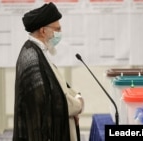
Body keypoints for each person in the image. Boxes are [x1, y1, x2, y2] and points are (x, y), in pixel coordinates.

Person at [13, 2, 84, 141]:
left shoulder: (37, 50)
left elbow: (56, 85)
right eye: (57, 29)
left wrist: (75, 97)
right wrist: (78, 104)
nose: (59, 34)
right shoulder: (32, 57)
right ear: (43, 31)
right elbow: (47, 102)